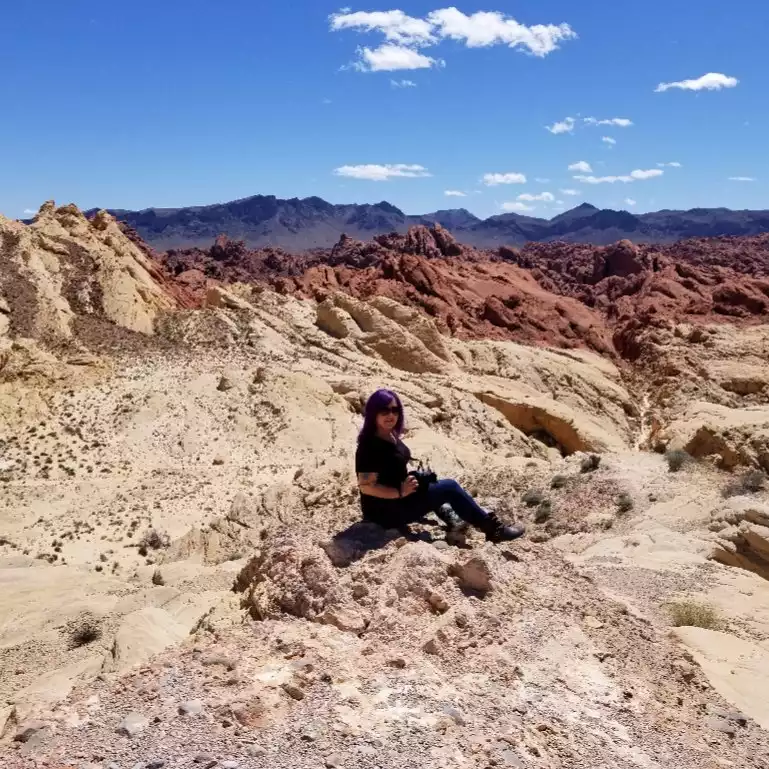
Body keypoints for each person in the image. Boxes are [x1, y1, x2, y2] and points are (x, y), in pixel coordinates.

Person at [355, 388, 525, 543]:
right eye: (384, 411)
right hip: (384, 513)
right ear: (373, 413)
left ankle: (452, 517)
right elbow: (366, 487)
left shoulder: (389, 435)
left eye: (395, 410)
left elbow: (390, 468)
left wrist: (411, 481)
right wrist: (400, 491)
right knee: (449, 487)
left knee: (430, 483)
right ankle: (494, 531)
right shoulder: (369, 446)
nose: (390, 415)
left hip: (398, 499)